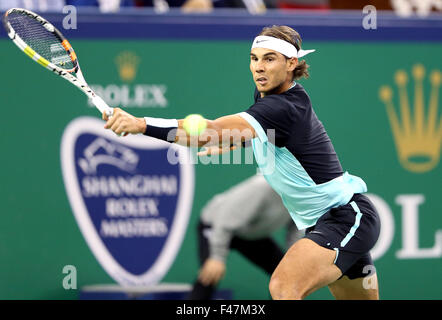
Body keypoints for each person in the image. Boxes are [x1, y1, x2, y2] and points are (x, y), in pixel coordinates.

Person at [102, 25, 381, 300]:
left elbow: (208, 132)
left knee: (284, 287)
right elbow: (273, 136)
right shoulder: (272, 98)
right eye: (254, 58)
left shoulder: (282, 107)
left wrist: (141, 124)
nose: (259, 67)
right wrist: (235, 141)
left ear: (291, 63)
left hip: (346, 218)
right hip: (324, 223)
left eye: (269, 59)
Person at [187, 173, 304, 300]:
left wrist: (294, 260)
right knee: (211, 273)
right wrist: (216, 257)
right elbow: (225, 220)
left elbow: (296, 230)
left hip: (250, 234)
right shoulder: (262, 187)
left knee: (285, 275)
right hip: (216, 225)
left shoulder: (302, 196)